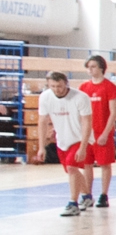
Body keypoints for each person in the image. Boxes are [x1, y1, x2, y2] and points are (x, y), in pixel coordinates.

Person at [36, 72, 94, 216]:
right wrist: (41, 146)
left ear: (66, 84)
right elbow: (42, 121)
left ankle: (73, 203)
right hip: (63, 139)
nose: (57, 89)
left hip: (80, 138)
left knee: (72, 168)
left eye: (59, 86)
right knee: (70, 170)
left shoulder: (81, 97)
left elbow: (87, 122)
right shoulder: (45, 97)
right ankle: (87, 196)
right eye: (53, 86)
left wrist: (83, 146)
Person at [79, 55, 116, 209]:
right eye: (88, 67)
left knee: (104, 164)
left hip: (102, 131)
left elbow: (113, 112)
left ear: (101, 68)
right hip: (87, 133)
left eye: (93, 66)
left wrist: (105, 133)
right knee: (86, 164)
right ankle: (87, 194)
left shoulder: (109, 87)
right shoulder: (83, 87)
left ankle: (104, 194)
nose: (90, 70)